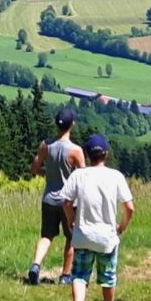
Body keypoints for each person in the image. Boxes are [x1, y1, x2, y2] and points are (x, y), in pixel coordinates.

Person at [59, 134, 135, 301]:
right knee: (108, 277)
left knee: (79, 275)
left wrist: (71, 219)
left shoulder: (78, 175)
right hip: (107, 237)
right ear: (106, 154)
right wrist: (122, 226)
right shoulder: (115, 176)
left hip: (83, 234)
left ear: (87, 154)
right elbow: (130, 207)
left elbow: (66, 202)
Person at [28, 108, 85, 285]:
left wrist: (48, 173)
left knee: (46, 236)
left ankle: (36, 265)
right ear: (72, 125)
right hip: (68, 201)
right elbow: (82, 177)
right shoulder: (75, 150)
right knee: (71, 237)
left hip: (48, 199)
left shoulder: (46, 145)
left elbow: (35, 168)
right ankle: (65, 275)